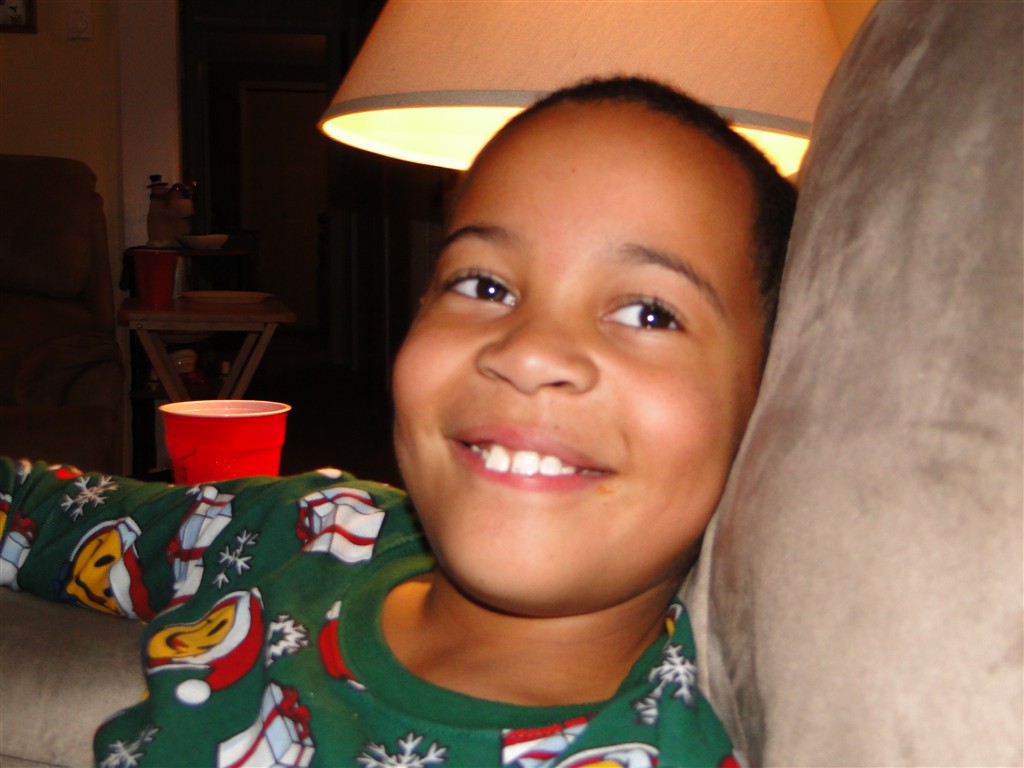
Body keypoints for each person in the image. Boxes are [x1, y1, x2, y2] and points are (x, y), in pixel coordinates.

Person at [0, 76, 795, 767]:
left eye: (649, 312)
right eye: (483, 286)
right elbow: (35, 511)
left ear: (769, 402)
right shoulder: (310, 529)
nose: (527, 352)